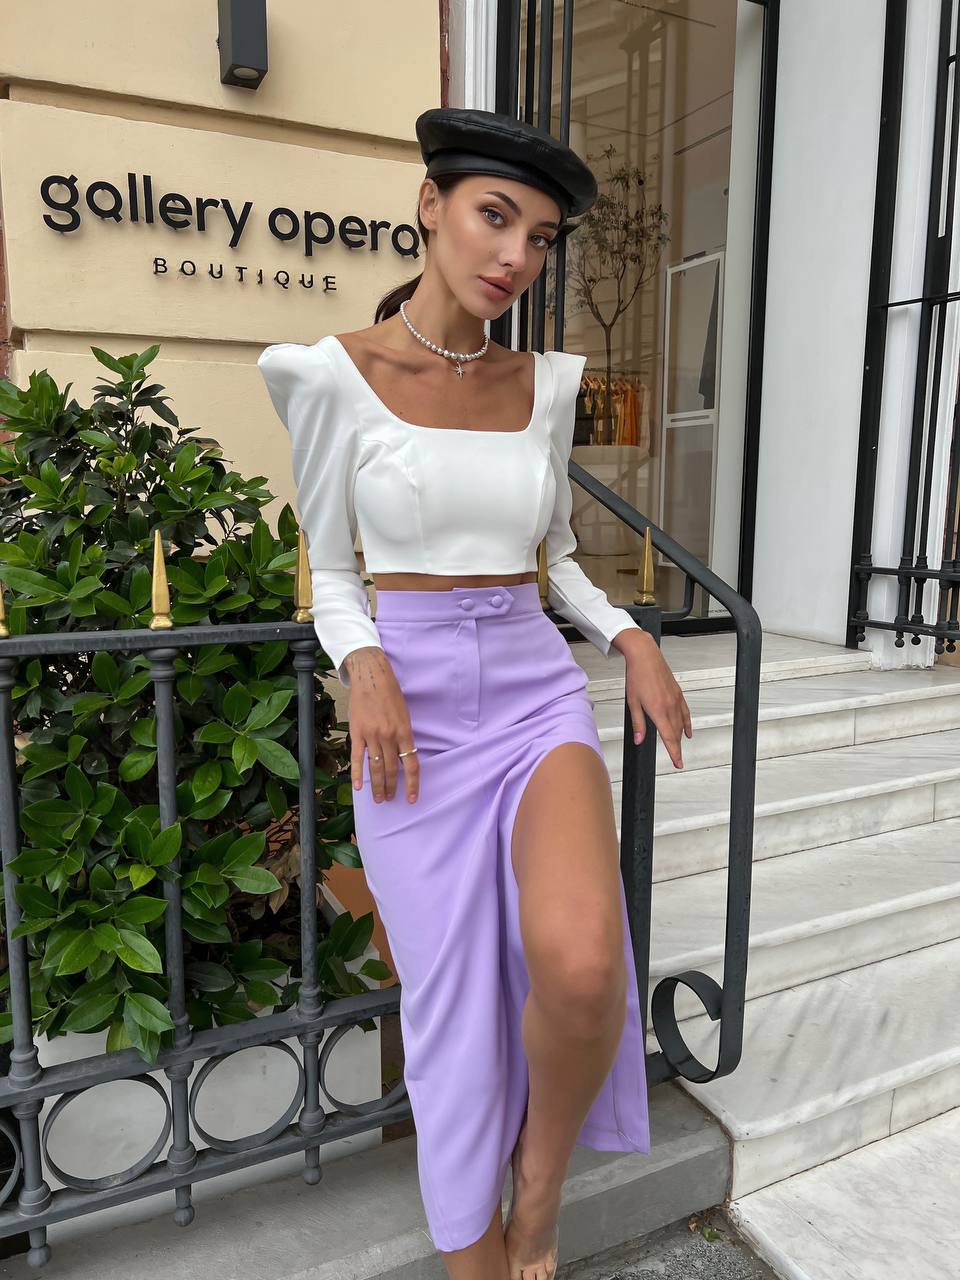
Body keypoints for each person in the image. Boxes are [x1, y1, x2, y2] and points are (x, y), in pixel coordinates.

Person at [258, 105, 692, 1280]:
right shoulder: (331, 375)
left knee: (587, 962)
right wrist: (365, 662)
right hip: (413, 713)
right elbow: (334, 568)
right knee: (447, 1008)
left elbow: (551, 555)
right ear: (429, 207)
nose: (515, 256)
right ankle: (477, 1254)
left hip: (532, 693)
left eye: (541, 237)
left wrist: (628, 632)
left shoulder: (544, 386)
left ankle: (540, 1186)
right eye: (495, 218)